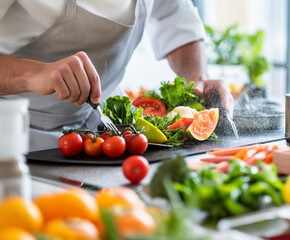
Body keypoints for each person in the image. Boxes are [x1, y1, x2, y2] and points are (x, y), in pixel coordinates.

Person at [0, 0, 234, 151]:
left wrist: (198, 78)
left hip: (110, 133)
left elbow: (173, 17)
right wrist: (34, 73)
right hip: (16, 137)